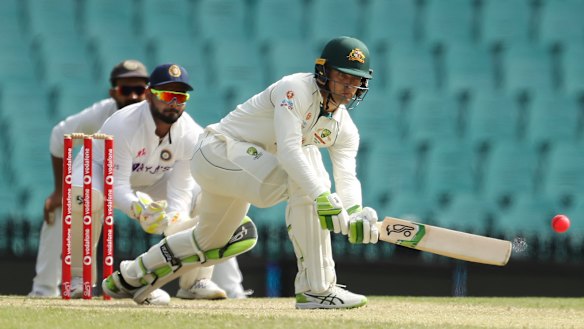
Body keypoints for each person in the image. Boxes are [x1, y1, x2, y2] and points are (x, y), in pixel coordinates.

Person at [103, 36, 380, 309]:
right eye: (342, 77)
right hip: (217, 152)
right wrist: (321, 196)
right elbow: (288, 150)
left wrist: (354, 212)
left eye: (356, 80)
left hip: (240, 168)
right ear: (323, 71)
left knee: (209, 241)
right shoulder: (294, 89)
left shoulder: (344, 127)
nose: (349, 87)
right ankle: (316, 289)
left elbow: (347, 175)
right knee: (308, 180)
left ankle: (130, 275)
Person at [29, 61, 245, 301]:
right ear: (149, 96)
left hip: (153, 178)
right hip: (101, 170)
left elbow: (180, 191)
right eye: (166, 95)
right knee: (85, 196)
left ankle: (195, 281)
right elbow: (117, 186)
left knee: (205, 197)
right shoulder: (124, 124)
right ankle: (79, 279)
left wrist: (174, 218)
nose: (173, 103)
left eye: (180, 97)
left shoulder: (191, 133)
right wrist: (139, 210)